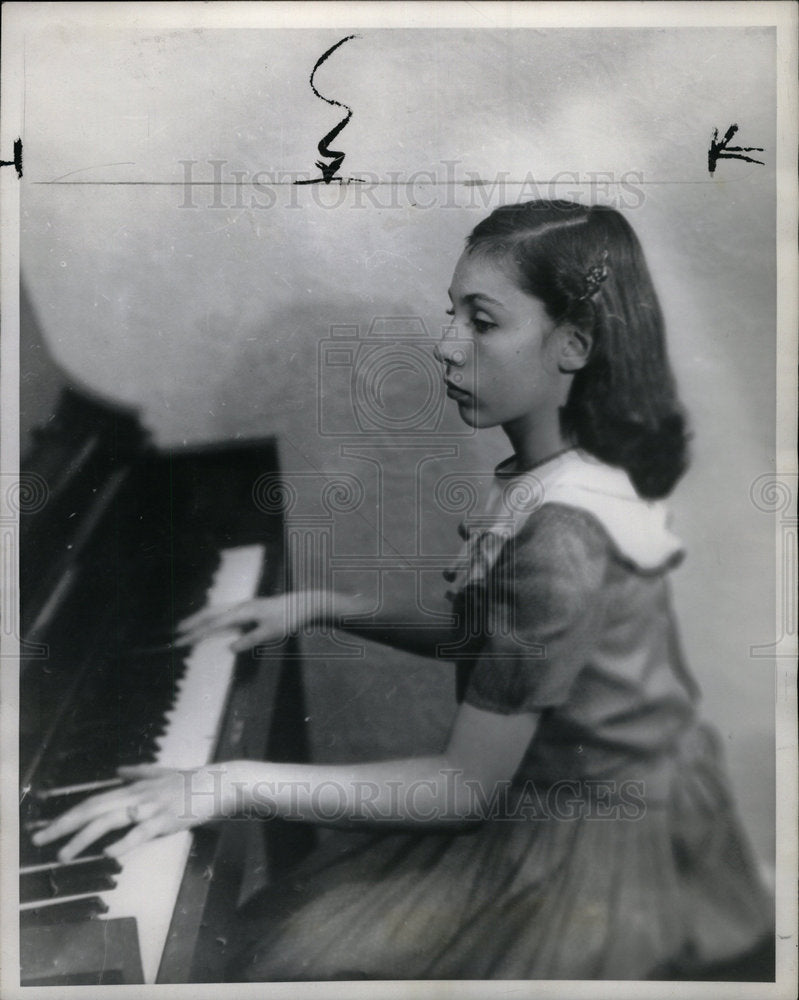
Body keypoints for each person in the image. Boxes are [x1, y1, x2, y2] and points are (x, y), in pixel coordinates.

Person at [32, 201, 774, 981]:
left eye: (481, 322)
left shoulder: (563, 536)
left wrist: (226, 782)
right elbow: (494, 637)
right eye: (448, 315)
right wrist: (326, 607)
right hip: (565, 795)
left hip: (596, 843)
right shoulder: (551, 474)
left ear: (572, 345)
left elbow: (463, 790)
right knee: (275, 936)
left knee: (275, 959)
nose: (447, 348)